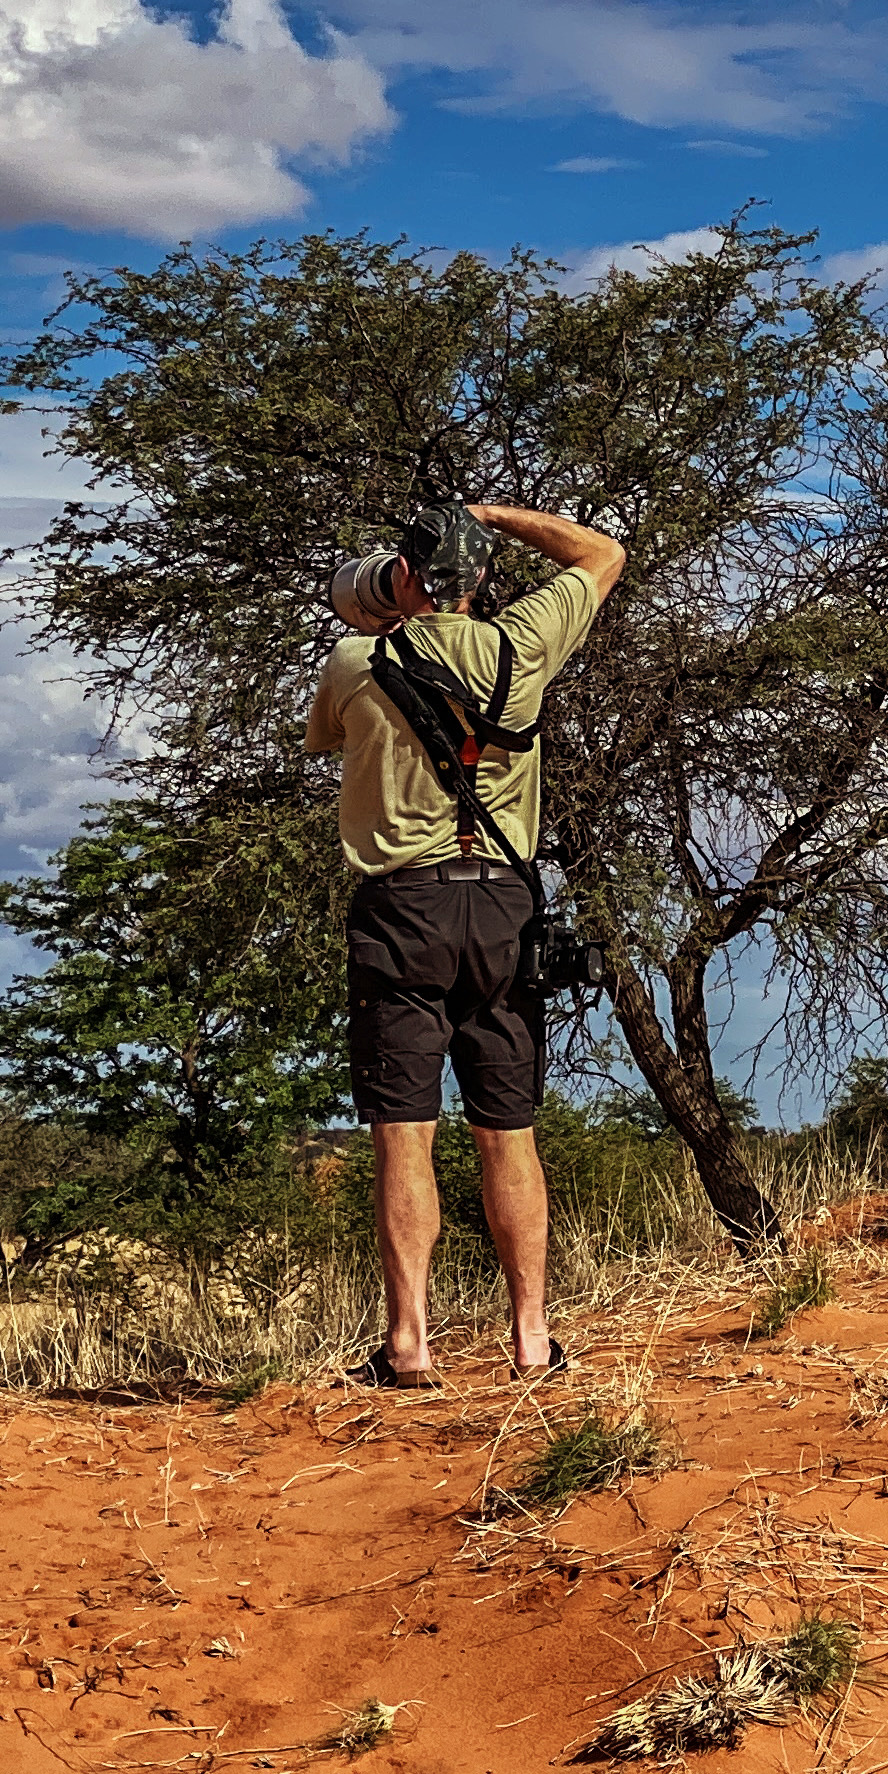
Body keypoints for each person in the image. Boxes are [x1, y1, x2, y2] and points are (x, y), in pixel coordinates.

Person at [303, 500, 626, 1384]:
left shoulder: (357, 660)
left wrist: (378, 604)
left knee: (404, 1136)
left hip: (402, 908)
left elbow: (326, 734)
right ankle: (532, 1341)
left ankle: (409, 1345)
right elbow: (602, 553)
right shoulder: (525, 644)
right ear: (483, 577)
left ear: (406, 575)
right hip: (504, 911)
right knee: (508, 1132)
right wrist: (490, 515)